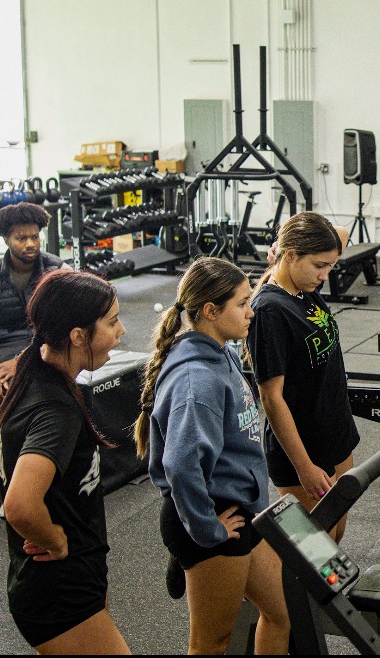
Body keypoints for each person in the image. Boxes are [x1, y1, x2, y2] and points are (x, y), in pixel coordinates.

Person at [135, 257, 289, 654]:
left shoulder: (223, 353)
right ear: (210, 311)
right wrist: (207, 529)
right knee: (211, 643)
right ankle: (191, 553)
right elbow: (180, 465)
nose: (251, 312)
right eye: (242, 303)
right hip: (213, 514)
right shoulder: (196, 380)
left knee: (282, 612)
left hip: (241, 507)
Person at [0, 269, 129, 654]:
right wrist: (54, 539)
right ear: (78, 336)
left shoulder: (37, 370)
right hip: (59, 592)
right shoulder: (56, 410)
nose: (121, 331)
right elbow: (20, 505)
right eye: (112, 322)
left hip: (73, 580)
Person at [247, 213, 359, 540]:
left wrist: (283, 245)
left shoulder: (301, 283)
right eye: (319, 266)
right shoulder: (269, 310)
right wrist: (304, 466)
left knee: (336, 533)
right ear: (293, 256)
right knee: (316, 549)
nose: (325, 276)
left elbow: (339, 232)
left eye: (330, 266)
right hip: (303, 446)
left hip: (333, 432)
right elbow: (271, 398)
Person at [0, 202, 69, 430]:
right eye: (21, 238)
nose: (30, 244)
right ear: (6, 239)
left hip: (49, 343)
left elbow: (65, 328)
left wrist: (19, 363)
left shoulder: (59, 272)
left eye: (35, 237)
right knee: (9, 377)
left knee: (42, 370)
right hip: (6, 345)